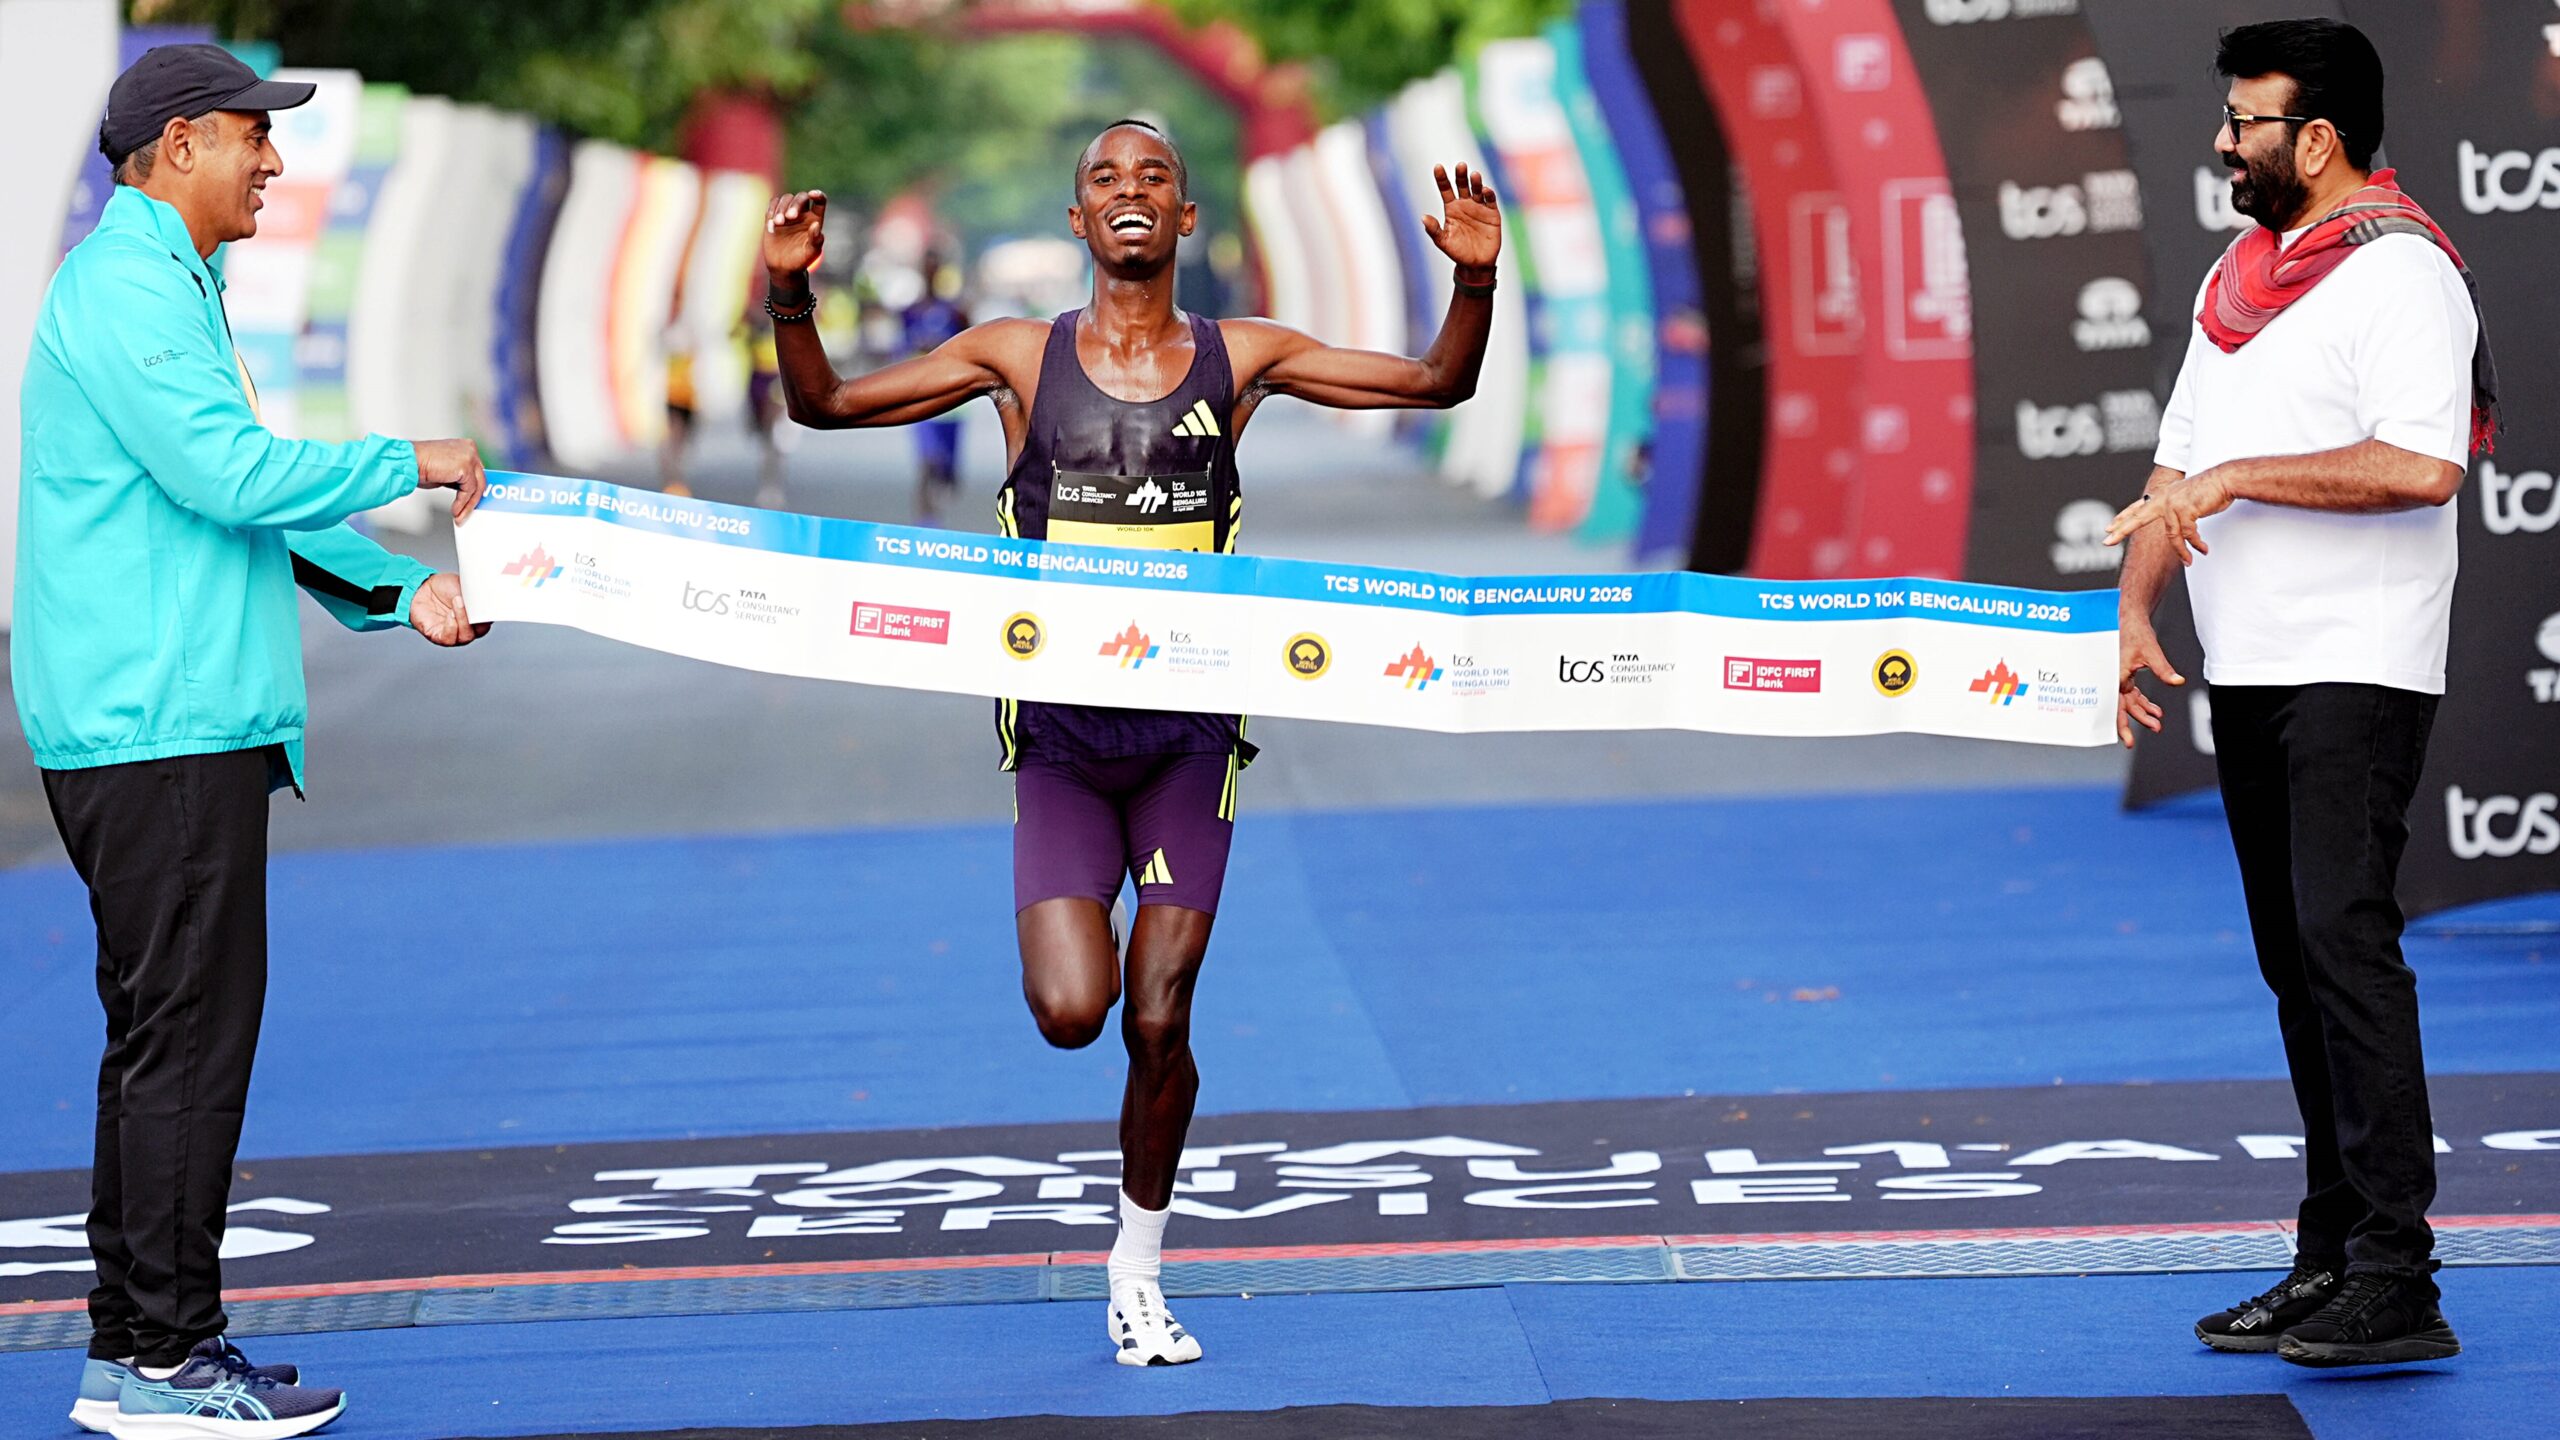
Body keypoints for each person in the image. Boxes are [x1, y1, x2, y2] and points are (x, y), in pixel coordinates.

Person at [760, 118, 1499, 1366]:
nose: (1131, 193)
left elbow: (1436, 383)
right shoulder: (1014, 358)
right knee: (1072, 1010)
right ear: (1077, 222)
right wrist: (789, 290)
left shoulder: (1242, 356)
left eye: (1154, 176)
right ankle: (1107, 1075)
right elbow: (825, 406)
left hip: (1186, 744)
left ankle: (1138, 1270)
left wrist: (1472, 278)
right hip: (1057, 743)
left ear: (1186, 218)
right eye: (1104, 180)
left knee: (1158, 1022)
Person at [14, 43, 492, 1438]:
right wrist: (414, 462)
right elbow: (231, 473)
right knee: (186, 1048)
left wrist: (407, 588)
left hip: (161, 721)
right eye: (248, 136)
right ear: (173, 149)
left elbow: (241, 499)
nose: (272, 161)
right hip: (155, 729)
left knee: (162, 1042)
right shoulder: (128, 291)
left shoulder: (163, 287)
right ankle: (165, 1364)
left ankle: (140, 1352)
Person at [2108, 18, 2494, 1370]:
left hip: (2358, 665)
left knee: (2344, 946)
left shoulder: (2403, 277)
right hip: (2252, 669)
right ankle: (2330, 1256)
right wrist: (2137, 609)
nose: (2222, 141)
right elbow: (2178, 467)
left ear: (2316, 139)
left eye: (2244, 121)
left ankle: (2402, 1272)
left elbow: (2421, 466)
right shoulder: (2243, 271)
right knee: (2296, 964)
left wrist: (2242, 478)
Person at [902, 251, 972, 522]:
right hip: (920, 396)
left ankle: (945, 482)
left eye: (934, 266)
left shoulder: (954, 311)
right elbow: (899, 346)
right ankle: (926, 523)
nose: (929, 271)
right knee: (927, 460)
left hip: (952, 399)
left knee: (947, 468)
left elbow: (972, 339)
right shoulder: (910, 311)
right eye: (925, 266)